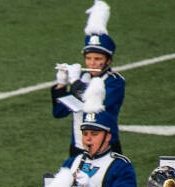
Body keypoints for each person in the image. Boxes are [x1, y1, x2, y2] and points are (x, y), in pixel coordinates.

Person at [51, 4, 126, 156]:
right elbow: (59, 112)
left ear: (108, 60)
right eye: (88, 58)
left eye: (97, 59)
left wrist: (74, 82)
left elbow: (94, 101)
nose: (92, 63)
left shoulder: (114, 82)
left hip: (106, 148)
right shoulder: (83, 78)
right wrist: (61, 84)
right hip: (78, 147)